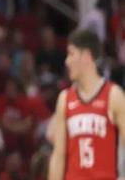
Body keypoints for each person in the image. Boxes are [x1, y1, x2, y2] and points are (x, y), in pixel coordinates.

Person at [48, 29, 125, 179]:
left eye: (71, 54)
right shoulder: (65, 99)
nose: (67, 61)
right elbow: (58, 156)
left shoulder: (113, 95)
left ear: (86, 56)